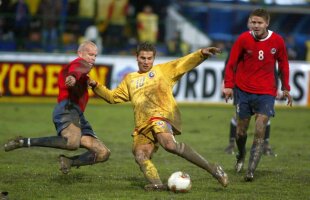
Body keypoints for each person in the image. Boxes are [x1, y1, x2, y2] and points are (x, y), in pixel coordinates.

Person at [90, 42, 228, 191]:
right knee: (140, 155)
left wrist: (201, 54)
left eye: (149, 58)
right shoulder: (130, 79)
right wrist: (95, 85)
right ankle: (157, 184)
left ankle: (213, 169)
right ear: (136, 57)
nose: (146, 61)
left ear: (154, 58)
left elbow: (182, 63)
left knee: (169, 145)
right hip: (142, 125)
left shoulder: (163, 70)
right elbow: (112, 97)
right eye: (142, 58)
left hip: (161, 115)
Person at [3, 41, 111, 174]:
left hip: (78, 115)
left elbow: (80, 73)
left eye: (95, 56)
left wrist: (90, 82)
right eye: (90, 54)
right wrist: (72, 77)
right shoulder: (78, 64)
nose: (93, 58)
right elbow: (78, 68)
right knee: (72, 142)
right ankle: (23, 141)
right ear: (80, 53)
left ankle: (69, 161)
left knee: (103, 152)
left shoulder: (84, 75)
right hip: (67, 108)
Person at [223, 8, 292, 182]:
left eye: (259, 22)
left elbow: (283, 64)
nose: (256, 25)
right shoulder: (243, 39)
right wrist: (228, 86)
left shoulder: (277, 41)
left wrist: (286, 87)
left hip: (266, 93)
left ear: (267, 23)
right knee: (240, 132)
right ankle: (241, 154)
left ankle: (251, 170)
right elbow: (231, 63)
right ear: (249, 22)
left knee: (260, 128)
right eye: (253, 22)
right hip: (244, 91)